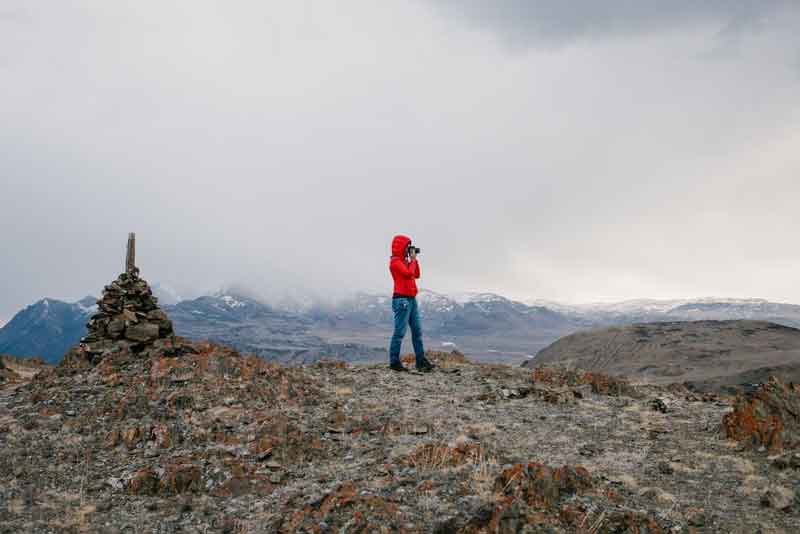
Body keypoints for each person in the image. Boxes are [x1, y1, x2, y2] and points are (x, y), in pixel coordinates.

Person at [388, 235, 434, 372]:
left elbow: (417, 274)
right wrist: (412, 260)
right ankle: (394, 362)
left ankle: (420, 361)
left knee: (417, 331)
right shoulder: (395, 262)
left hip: (411, 300)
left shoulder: (405, 261)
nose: (409, 249)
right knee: (400, 332)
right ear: (401, 247)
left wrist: (414, 260)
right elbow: (408, 274)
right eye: (407, 247)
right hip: (401, 300)